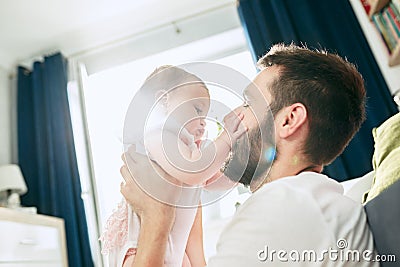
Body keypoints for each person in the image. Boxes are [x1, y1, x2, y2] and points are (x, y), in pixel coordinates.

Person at [119, 43, 379, 266]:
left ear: (289, 120)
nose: (235, 114)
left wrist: (157, 215)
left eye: (249, 103)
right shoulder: (314, 199)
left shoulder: (277, 211)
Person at [100, 65, 247, 267]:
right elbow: (194, 170)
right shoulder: (157, 133)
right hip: (139, 244)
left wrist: (242, 171)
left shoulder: (189, 150)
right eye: (197, 110)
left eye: (205, 116)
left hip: (175, 248)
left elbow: (212, 178)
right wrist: (226, 138)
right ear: (164, 100)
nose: (203, 123)